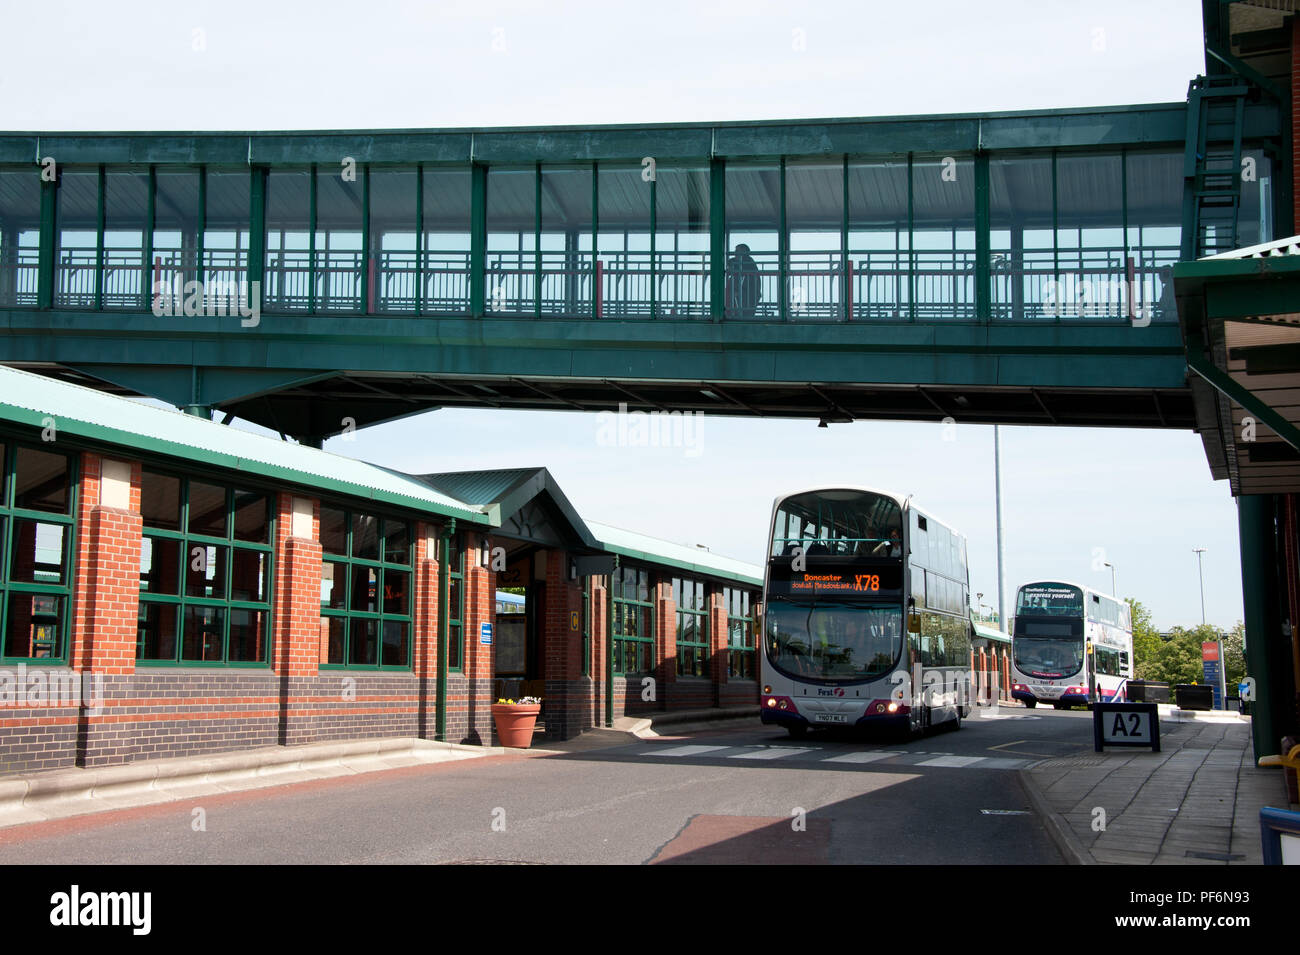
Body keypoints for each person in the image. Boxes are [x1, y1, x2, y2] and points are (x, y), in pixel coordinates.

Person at [725, 243, 761, 319]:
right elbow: (730, 262)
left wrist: (738, 290)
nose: (735, 253)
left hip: (748, 293)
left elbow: (749, 280)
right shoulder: (744, 262)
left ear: (744, 252)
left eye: (737, 251)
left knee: (746, 313)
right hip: (744, 292)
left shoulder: (748, 263)